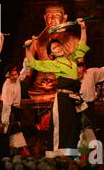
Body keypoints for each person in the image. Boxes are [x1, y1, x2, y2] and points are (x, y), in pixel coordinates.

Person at [25, 18, 88, 158]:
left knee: (74, 128)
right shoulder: (54, 64)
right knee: (62, 128)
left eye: (59, 46)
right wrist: (28, 47)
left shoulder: (72, 59)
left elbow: (82, 45)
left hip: (75, 99)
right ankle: (58, 158)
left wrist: (83, 28)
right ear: (51, 54)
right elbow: (32, 62)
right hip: (63, 100)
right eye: (54, 48)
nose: (58, 48)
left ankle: (73, 157)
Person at [26, 5, 79, 100]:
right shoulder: (37, 40)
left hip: (63, 85)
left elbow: (80, 68)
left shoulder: (74, 40)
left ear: (65, 18)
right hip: (40, 87)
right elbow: (28, 69)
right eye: (49, 16)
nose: (53, 20)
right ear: (45, 18)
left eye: (57, 16)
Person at [0, 59, 31, 156]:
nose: (15, 77)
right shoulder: (6, 86)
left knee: (17, 131)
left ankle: (18, 152)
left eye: (16, 74)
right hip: (9, 111)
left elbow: (24, 72)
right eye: (13, 75)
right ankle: (21, 151)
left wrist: (27, 60)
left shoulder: (17, 80)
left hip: (16, 110)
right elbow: (6, 105)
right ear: (8, 75)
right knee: (13, 131)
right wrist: (5, 122)